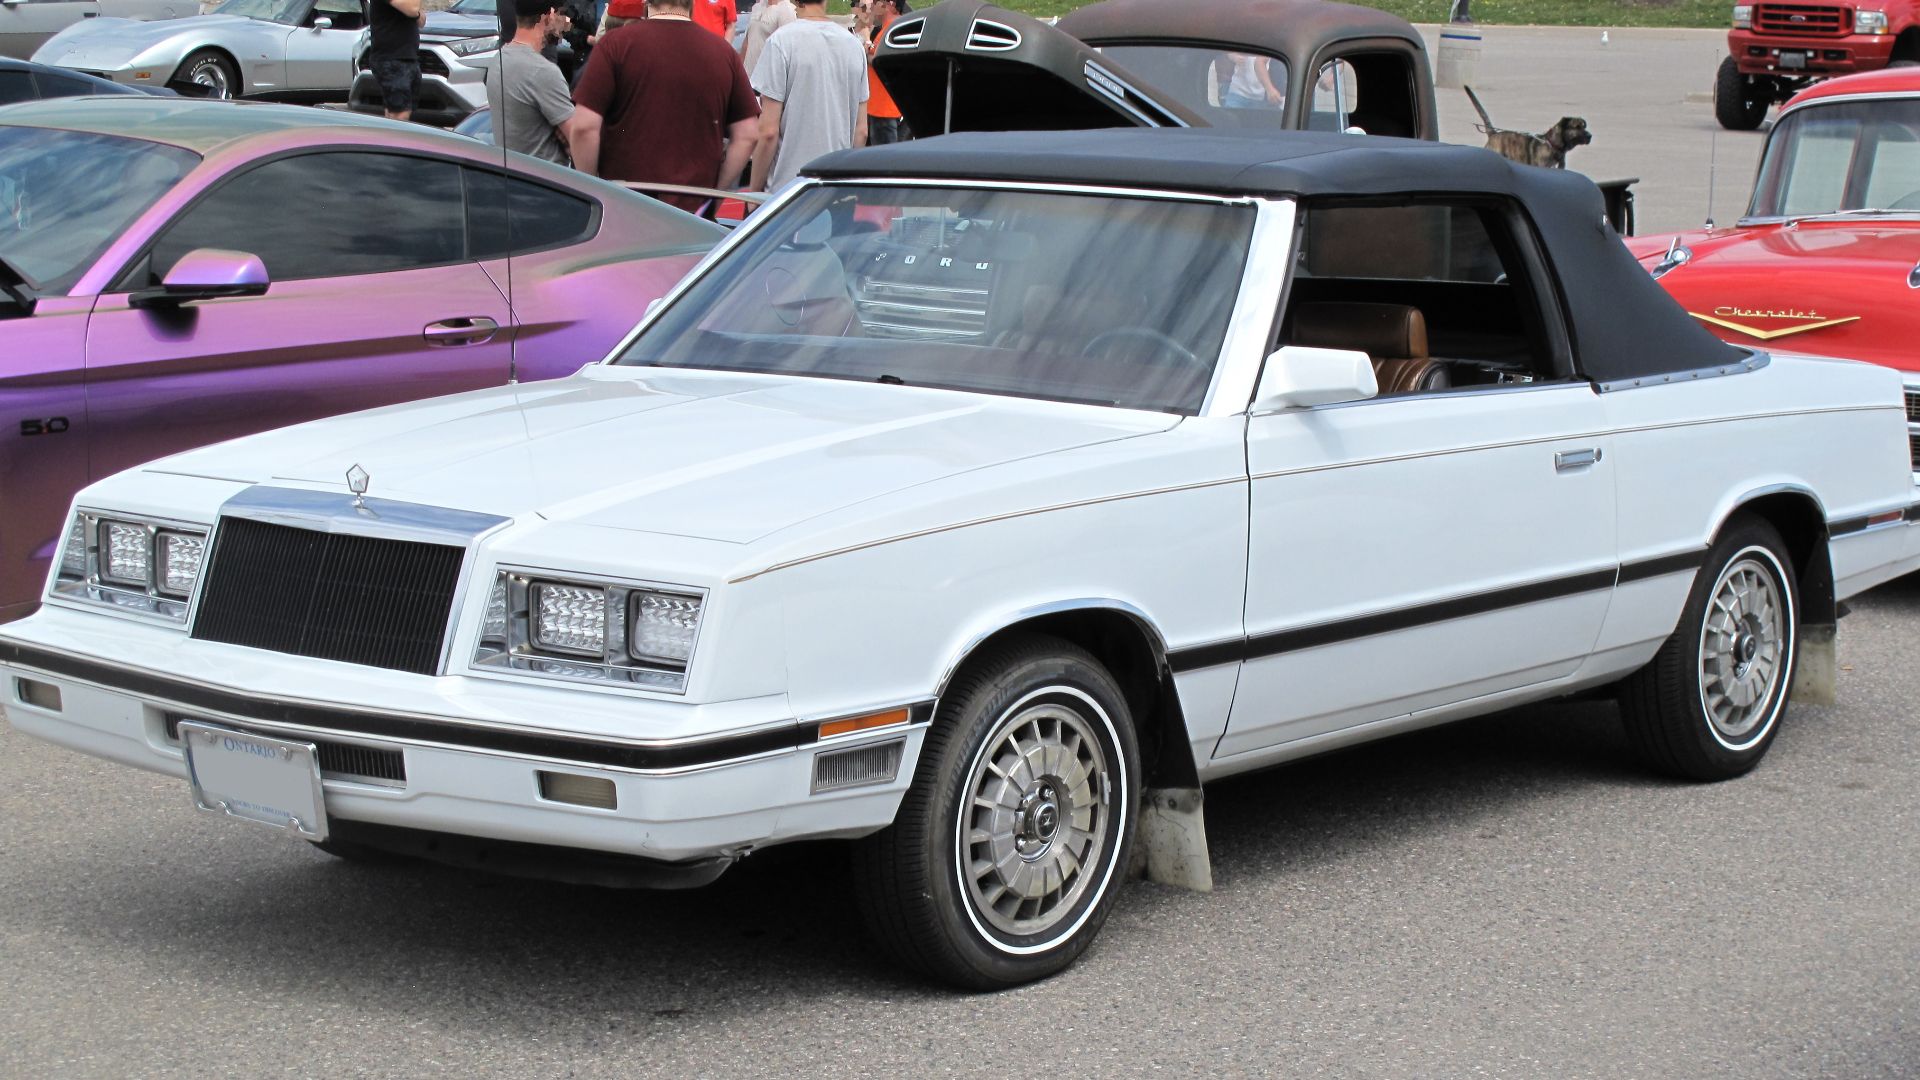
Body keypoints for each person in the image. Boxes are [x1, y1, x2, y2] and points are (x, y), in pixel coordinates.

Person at [571, 0, 760, 213]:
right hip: (693, 210)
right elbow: (748, 134)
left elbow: (584, 127)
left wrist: (593, 189)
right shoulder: (723, 53)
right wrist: (714, 195)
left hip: (623, 205)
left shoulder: (615, 44)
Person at [749, 0, 866, 192]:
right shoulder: (854, 45)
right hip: (835, 186)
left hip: (787, 191)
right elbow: (861, 132)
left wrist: (754, 191)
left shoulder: (781, 42)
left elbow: (768, 131)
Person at [486, 0, 583, 164]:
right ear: (550, 16)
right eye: (563, 14)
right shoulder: (542, 71)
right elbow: (578, 138)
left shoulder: (499, 60)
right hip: (549, 181)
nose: (567, 23)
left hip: (517, 178)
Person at [368, 0, 426, 121]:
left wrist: (416, 13)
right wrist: (415, 13)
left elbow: (421, 20)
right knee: (400, 113)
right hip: (391, 58)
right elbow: (412, 9)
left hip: (408, 57)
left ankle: (391, 138)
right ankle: (394, 139)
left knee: (398, 110)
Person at [864, 0, 907, 144]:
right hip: (881, 108)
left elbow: (884, 61)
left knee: (884, 161)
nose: (872, 5)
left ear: (890, 4)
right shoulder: (888, 28)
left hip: (884, 109)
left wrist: (865, 52)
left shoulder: (895, 29)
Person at [740, 0, 792, 77]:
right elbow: (747, 40)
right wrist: (739, 70)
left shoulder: (787, 10)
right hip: (747, 75)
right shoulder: (757, 7)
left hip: (766, 79)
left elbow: (787, 51)